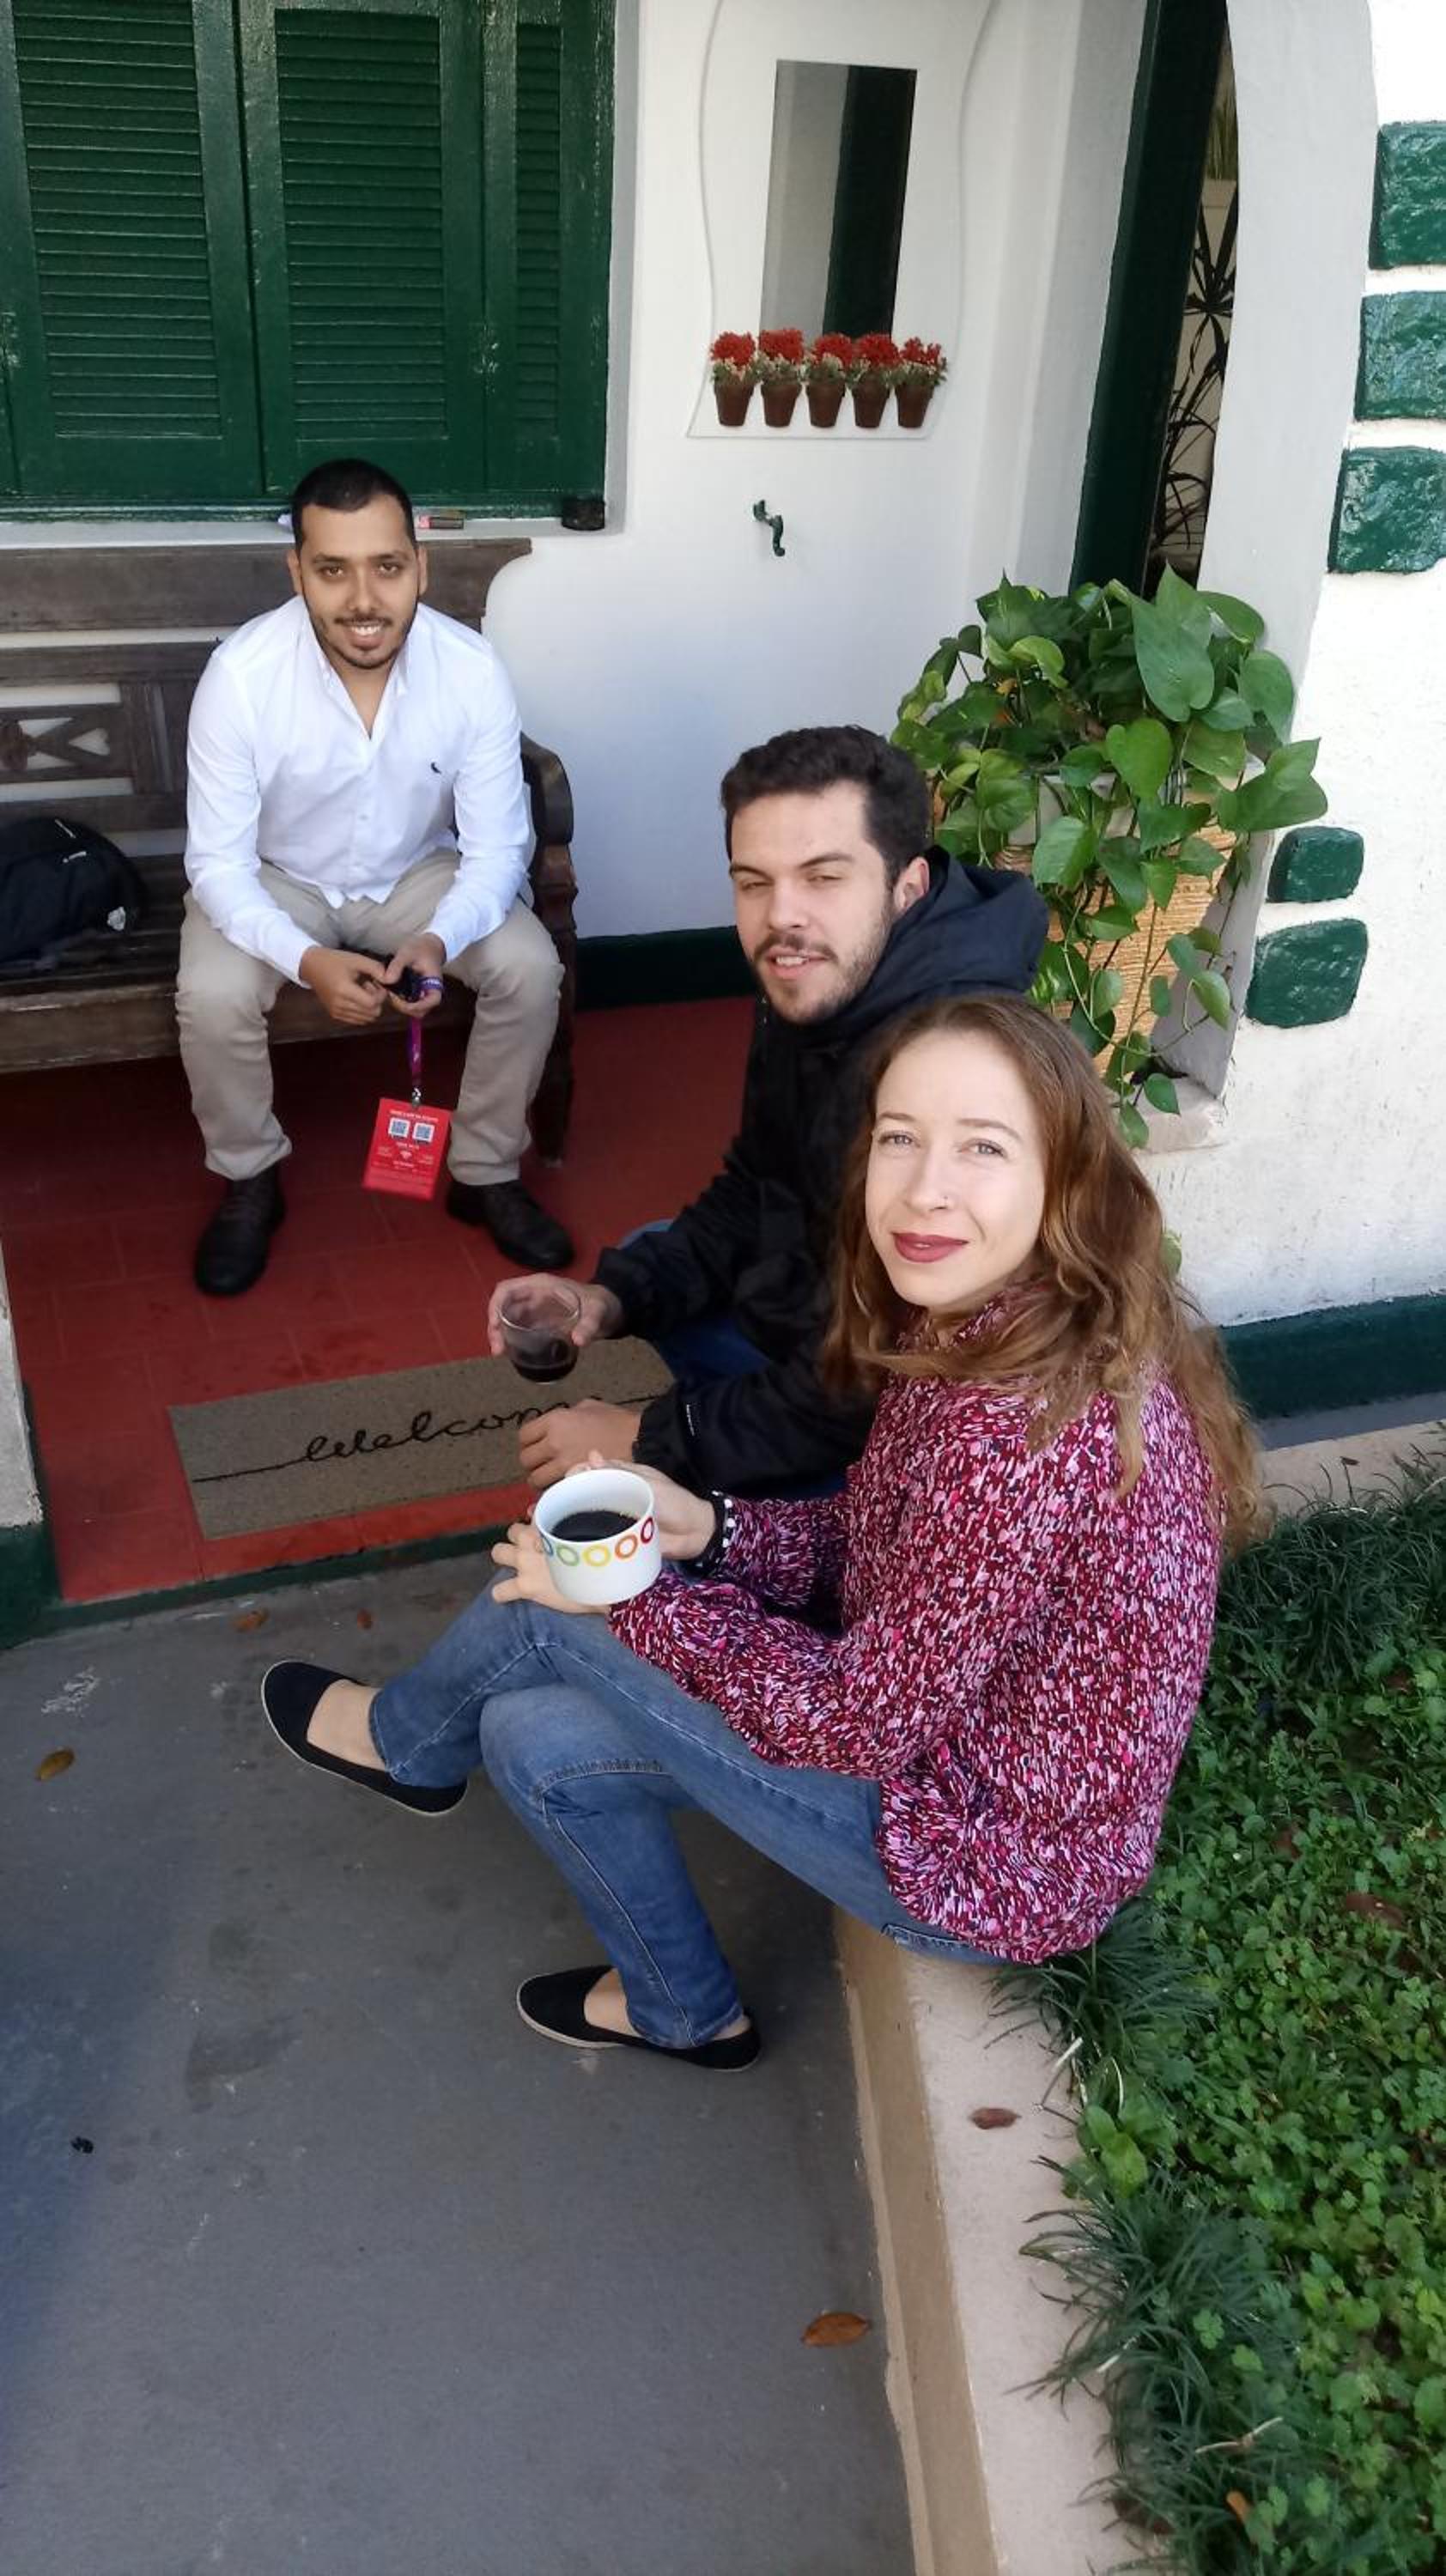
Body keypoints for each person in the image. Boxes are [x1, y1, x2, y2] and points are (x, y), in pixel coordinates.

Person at [261, 994, 1261, 2069]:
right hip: (955, 1759)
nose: (924, 1188)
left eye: (983, 1146)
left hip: (982, 1857)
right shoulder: (1004, 1318)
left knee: (558, 1613)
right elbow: (880, 1540)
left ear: (1065, 1179)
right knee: (530, 1740)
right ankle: (680, 2010)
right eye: (899, 1138)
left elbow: (857, 1722)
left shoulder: (1014, 1428)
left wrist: (636, 1595)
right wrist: (710, 1529)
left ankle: (407, 1746)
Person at [486, 724, 1048, 1496]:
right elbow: (756, 1180)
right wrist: (606, 1299)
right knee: (645, 1260)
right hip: (814, 1313)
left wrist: (648, 1437)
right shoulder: (823, 976)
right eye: (754, 883)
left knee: (620, 1542)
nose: (782, 917)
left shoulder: (949, 1069)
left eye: (824, 878)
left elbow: (874, 1382)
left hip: (895, 1432)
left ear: (908, 886)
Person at [178, 455, 570, 1297]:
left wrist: (440, 938)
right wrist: (306, 960)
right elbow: (217, 865)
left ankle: (484, 1171)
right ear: (297, 572)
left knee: (529, 965)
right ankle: (249, 1175)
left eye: (386, 567)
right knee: (212, 992)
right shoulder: (242, 676)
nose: (363, 600)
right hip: (279, 879)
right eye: (333, 570)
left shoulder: (470, 670)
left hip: (415, 877)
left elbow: (498, 849)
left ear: (420, 566)